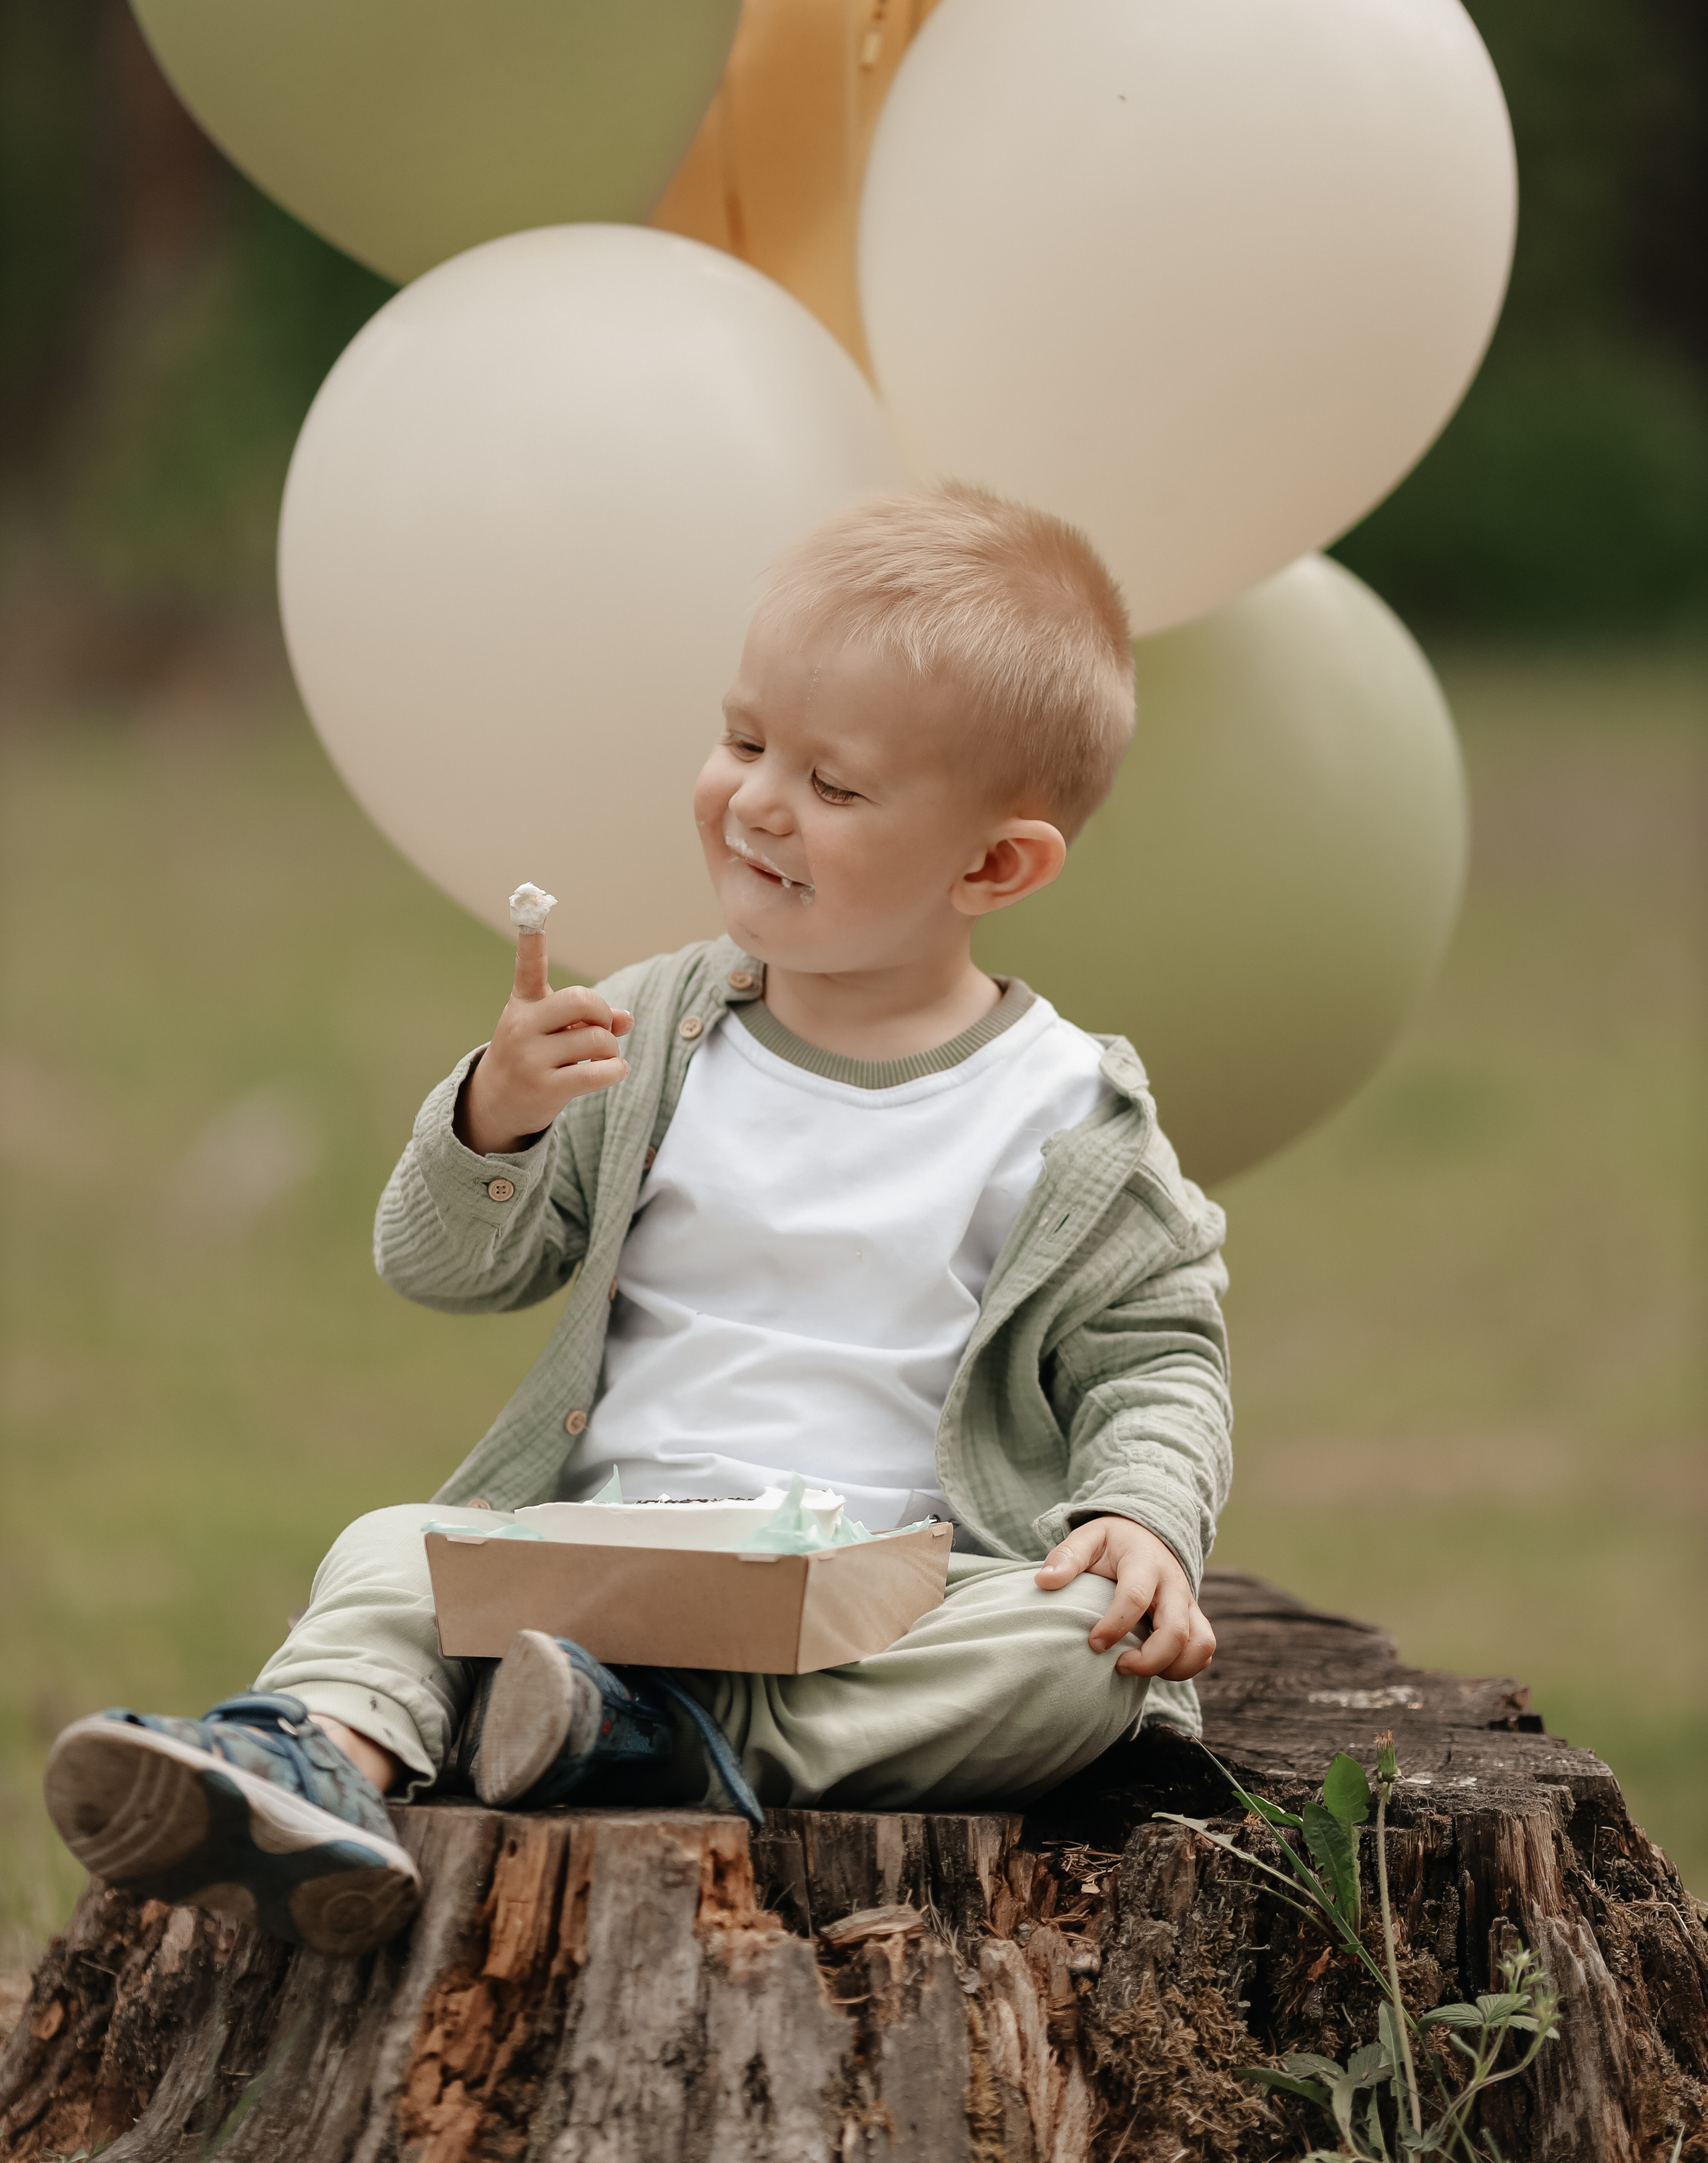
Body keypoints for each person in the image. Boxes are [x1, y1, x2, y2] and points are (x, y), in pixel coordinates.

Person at [45, 485, 1232, 1959]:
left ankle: (661, 1731)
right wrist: (496, 1121)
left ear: (991, 867)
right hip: (602, 1549)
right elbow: (445, 1266)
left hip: (871, 1596)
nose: (754, 801)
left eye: (833, 786)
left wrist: (1136, 1511)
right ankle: (313, 1767)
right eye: (742, 741)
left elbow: (1155, 1355)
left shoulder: (1062, 1113)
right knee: (390, 1546)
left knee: (1079, 1660)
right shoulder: (657, 1029)